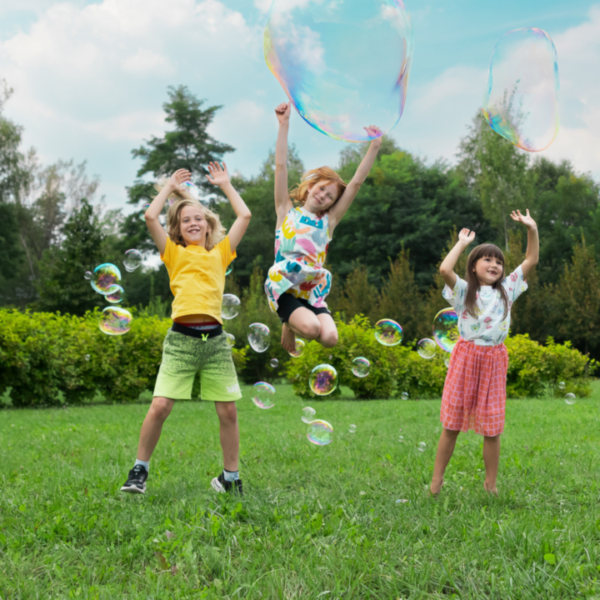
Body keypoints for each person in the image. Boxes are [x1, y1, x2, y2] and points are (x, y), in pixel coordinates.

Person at [120, 163, 251, 495]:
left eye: (199, 219)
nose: (193, 223)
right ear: (177, 229)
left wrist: (225, 184)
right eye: (185, 220)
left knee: (229, 412)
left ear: (209, 226)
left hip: (215, 343)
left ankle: (230, 479)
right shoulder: (172, 252)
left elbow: (245, 216)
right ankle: (139, 471)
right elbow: (151, 217)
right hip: (181, 340)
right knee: (160, 406)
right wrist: (169, 188)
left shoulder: (221, 253)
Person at [429, 210, 539, 495]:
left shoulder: (507, 289)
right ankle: (436, 482)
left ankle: (491, 484)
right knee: (452, 424)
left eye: (499, 261)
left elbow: (531, 260)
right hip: (466, 357)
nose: (494, 264)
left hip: (494, 359)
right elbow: (444, 270)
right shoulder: (464, 290)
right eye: (487, 259)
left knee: (492, 428)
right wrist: (462, 244)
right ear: (474, 266)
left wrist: (532, 229)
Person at [265, 102, 382, 354]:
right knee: (310, 329)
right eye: (321, 189)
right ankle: (288, 320)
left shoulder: (328, 222)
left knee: (329, 338)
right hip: (284, 286)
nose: (322, 196)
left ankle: (294, 318)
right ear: (310, 186)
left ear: (332, 204)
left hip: (310, 289)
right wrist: (284, 124)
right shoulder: (285, 212)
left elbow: (356, 184)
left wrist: (374, 146)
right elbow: (281, 166)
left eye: (329, 196)